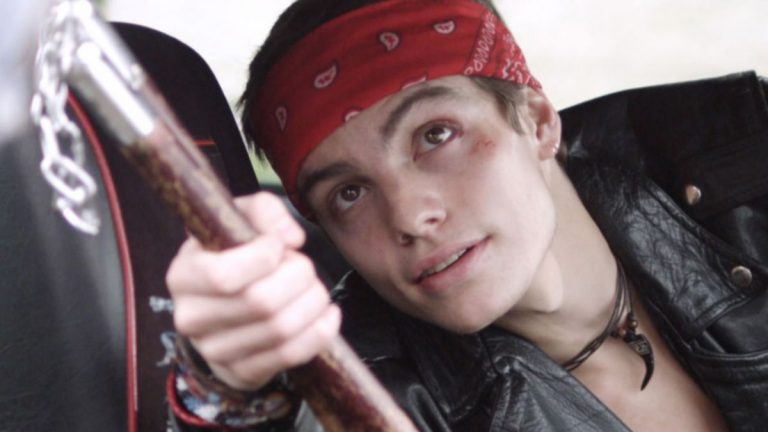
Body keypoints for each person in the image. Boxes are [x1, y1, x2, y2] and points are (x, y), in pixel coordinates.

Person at [165, 0, 768, 430]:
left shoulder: (742, 179)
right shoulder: (371, 390)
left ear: (537, 121)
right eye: (348, 193)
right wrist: (224, 388)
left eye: (435, 135)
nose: (409, 216)